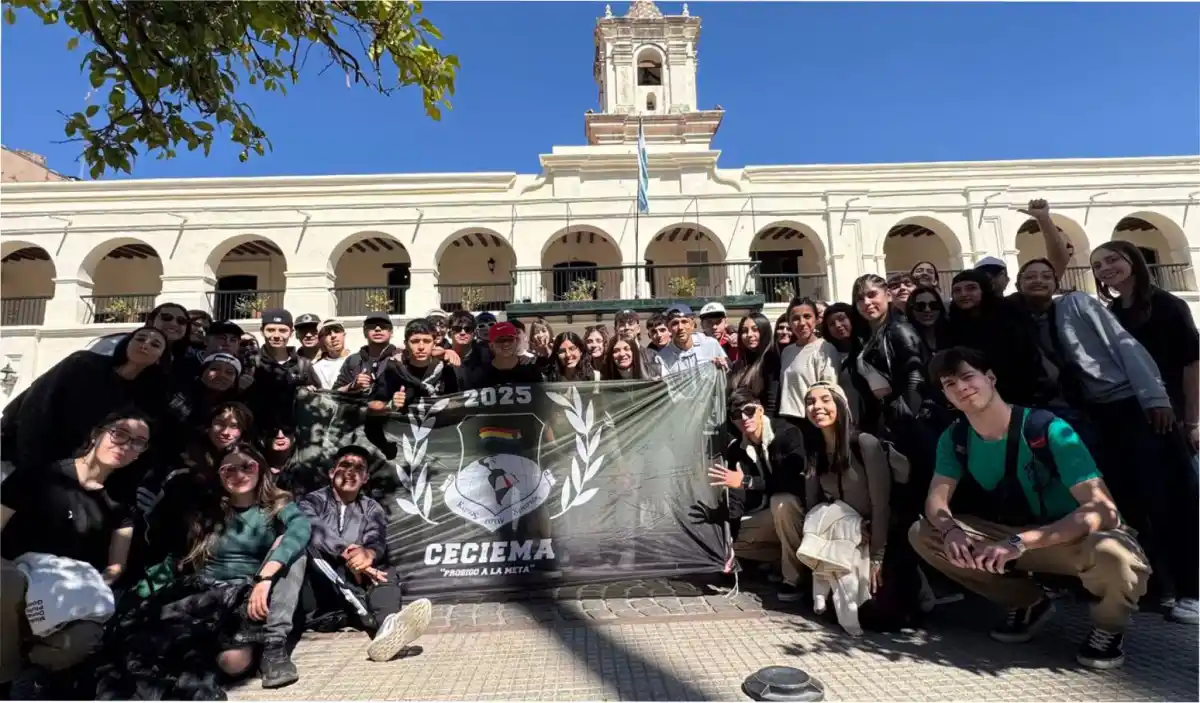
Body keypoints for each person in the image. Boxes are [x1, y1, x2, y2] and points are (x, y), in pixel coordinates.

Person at [911, 347, 1149, 669]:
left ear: (991, 378)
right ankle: (1027, 603)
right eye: (950, 384)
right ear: (946, 396)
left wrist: (1023, 542)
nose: (962, 387)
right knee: (925, 533)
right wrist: (951, 530)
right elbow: (937, 500)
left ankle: (1108, 627)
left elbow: (1104, 510)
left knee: (1116, 557)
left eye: (968, 376)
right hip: (1011, 536)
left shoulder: (1048, 428)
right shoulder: (954, 438)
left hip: (1067, 538)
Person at [1012, 256, 1196, 621]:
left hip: (1129, 405)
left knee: (1164, 497)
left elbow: (1125, 346)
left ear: (1057, 280)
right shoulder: (1023, 320)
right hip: (1094, 415)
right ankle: (1152, 585)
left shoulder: (1076, 304)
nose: (1038, 280)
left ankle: (1191, 587)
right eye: (1029, 276)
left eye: (1046, 274)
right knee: (1123, 500)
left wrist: (1154, 398)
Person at [1, 409, 152, 694]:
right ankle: (4, 678)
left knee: (86, 638)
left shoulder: (122, 503)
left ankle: (29, 665)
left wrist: (88, 588)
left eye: (137, 442)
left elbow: (115, 566)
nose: (125, 445)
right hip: (13, 582)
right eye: (119, 434)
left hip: (65, 597)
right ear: (97, 433)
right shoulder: (39, 475)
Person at [146, 442, 312, 689]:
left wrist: (264, 579)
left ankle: (273, 647)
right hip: (210, 596)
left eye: (247, 466)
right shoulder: (207, 510)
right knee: (221, 661)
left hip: (253, 594)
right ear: (219, 476)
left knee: (293, 550)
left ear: (260, 469)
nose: (239, 475)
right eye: (229, 470)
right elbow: (177, 558)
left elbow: (301, 528)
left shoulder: (277, 504)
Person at [298, 446, 432, 662]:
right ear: (332, 473)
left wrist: (367, 555)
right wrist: (347, 552)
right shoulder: (311, 502)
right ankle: (372, 616)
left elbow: (375, 539)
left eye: (359, 469)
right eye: (345, 466)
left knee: (385, 570)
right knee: (309, 551)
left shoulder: (372, 508)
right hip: (318, 594)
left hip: (352, 588)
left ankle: (387, 627)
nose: (351, 472)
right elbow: (312, 529)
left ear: (365, 478)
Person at [0, 326, 167, 474]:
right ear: (127, 343)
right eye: (140, 338)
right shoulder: (83, 363)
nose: (145, 345)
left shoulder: (144, 399)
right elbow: (37, 403)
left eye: (155, 344)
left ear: (160, 358)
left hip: (75, 471)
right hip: (26, 456)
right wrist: (30, 457)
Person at [702, 389, 807, 601]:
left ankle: (795, 580)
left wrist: (746, 481)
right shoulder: (738, 449)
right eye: (736, 415)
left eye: (748, 411)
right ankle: (778, 560)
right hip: (766, 514)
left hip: (798, 510)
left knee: (782, 502)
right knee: (721, 542)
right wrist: (728, 538)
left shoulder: (787, 433)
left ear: (760, 409)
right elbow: (736, 497)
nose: (743, 418)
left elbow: (793, 481)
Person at [244, 309, 320, 435]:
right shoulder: (250, 363)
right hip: (257, 436)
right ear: (262, 331)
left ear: (291, 333)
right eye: (271, 330)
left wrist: (310, 394)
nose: (276, 335)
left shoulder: (303, 365)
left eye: (283, 330)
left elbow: (318, 404)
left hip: (294, 437)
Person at [372, 319, 461, 413]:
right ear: (406, 344)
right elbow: (374, 404)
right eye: (415, 341)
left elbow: (457, 403)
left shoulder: (446, 370)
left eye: (427, 341)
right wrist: (391, 405)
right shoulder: (394, 370)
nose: (421, 347)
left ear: (434, 343)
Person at [777, 297, 841, 426]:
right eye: (795, 318)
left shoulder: (825, 349)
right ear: (789, 322)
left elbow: (829, 390)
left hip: (811, 421)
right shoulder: (787, 352)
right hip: (786, 420)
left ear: (816, 319)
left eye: (807, 316)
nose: (802, 323)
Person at [461, 322, 546, 389]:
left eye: (510, 339)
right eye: (500, 340)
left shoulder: (531, 370)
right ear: (491, 345)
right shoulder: (479, 375)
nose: (506, 343)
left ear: (516, 342)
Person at [653, 305, 728, 376]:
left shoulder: (710, 344)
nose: (680, 327)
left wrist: (724, 366)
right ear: (668, 328)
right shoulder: (662, 358)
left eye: (684, 322)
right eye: (675, 323)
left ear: (692, 325)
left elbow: (728, 372)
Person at [336, 313, 399, 396]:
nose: (377, 329)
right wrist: (352, 385)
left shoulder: (400, 358)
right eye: (372, 326)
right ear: (364, 332)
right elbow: (335, 391)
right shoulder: (353, 360)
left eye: (383, 326)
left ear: (391, 332)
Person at [614, 309, 663, 376]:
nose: (626, 327)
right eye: (622, 324)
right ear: (615, 330)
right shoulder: (610, 358)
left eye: (630, 323)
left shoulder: (652, 356)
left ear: (638, 329)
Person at [313, 319, 350, 390]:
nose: (333, 336)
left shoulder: (358, 359)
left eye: (337, 331)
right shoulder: (316, 368)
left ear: (344, 335)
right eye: (327, 333)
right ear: (321, 340)